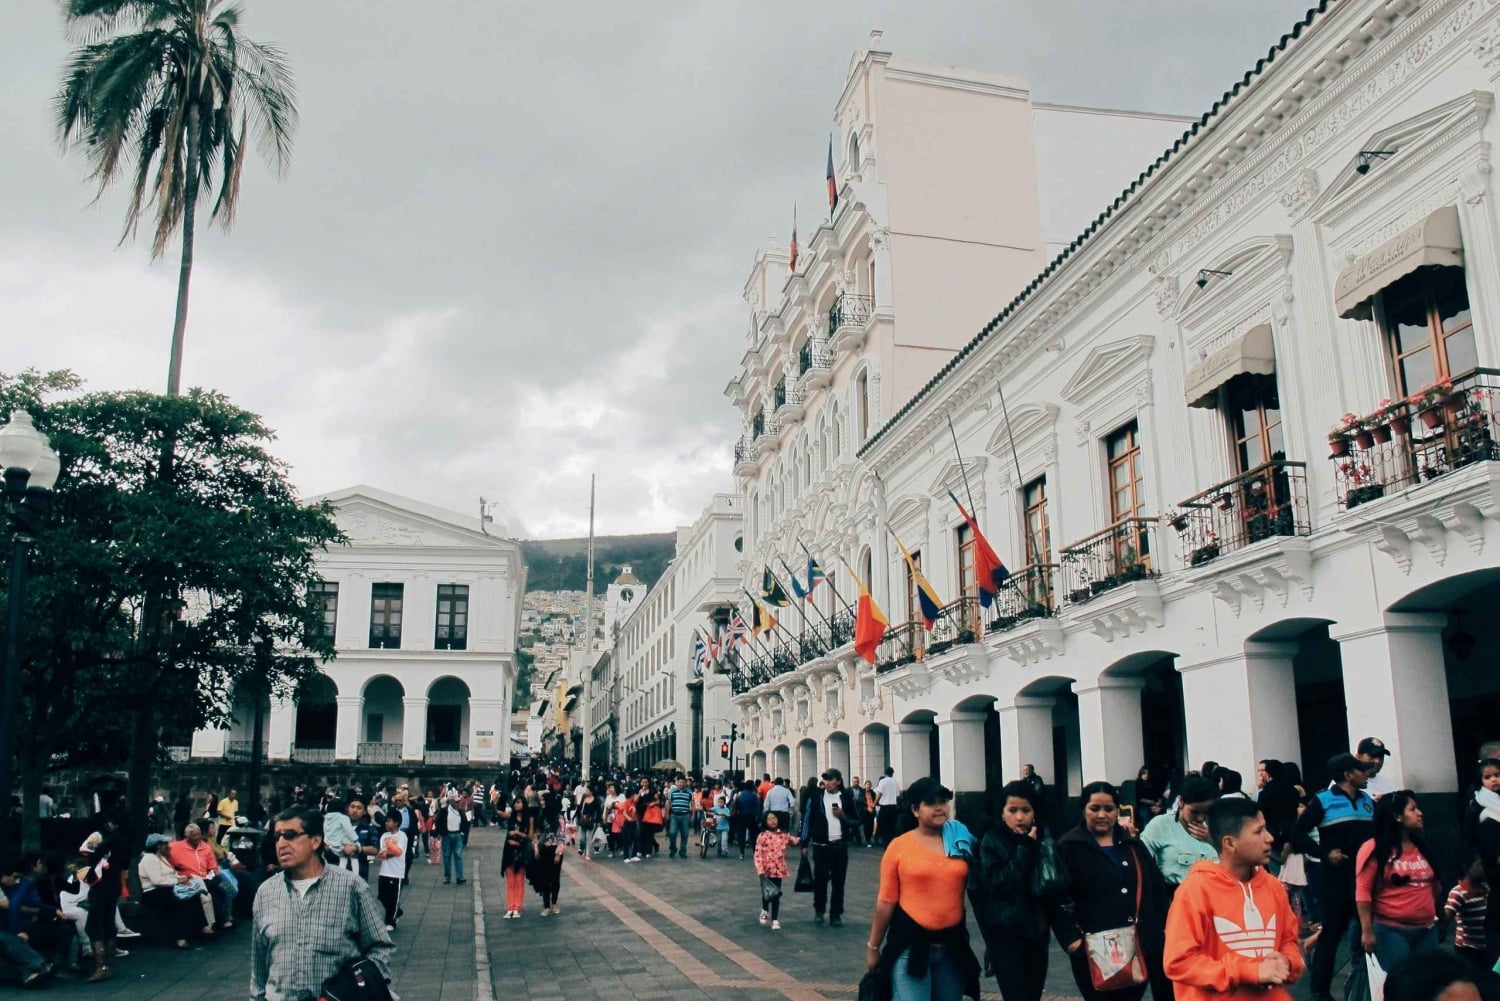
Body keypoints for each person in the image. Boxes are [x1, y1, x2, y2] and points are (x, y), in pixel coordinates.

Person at [1162, 797, 1302, 1001]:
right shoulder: (1195, 891)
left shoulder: (1273, 886)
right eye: (1258, 831)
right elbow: (1178, 962)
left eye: (1266, 829)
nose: (1269, 838)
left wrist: (1286, 962)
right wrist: (1249, 971)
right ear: (1229, 843)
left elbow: (1289, 941)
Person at [250, 806, 393, 1001]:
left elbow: (381, 949)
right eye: (277, 837)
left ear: (315, 841)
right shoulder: (266, 892)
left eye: (290, 835)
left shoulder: (351, 887)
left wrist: (348, 992)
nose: (281, 844)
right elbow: (259, 967)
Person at [865, 777, 981, 1001]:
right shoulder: (899, 846)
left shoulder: (960, 839)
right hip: (910, 947)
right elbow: (886, 901)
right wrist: (873, 947)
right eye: (930, 803)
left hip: (952, 946)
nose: (939, 808)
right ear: (915, 810)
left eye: (943, 801)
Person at [1054, 781, 1170, 1001]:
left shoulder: (1132, 844)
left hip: (1137, 945)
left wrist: (1160, 930)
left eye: (1109, 809)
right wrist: (1071, 940)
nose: (1102, 815)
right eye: (1094, 808)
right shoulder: (1068, 846)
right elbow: (1056, 898)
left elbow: (1155, 889)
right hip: (1094, 950)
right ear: (1083, 809)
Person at [968, 779, 1068, 1001]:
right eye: (1012, 810)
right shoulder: (991, 840)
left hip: (1037, 933)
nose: (1020, 817)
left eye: (1026, 810)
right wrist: (1024, 848)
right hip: (1005, 936)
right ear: (1002, 813)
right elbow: (1001, 883)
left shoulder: (1043, 840)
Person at [1293, 753, 1375, 1001]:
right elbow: (1297, 833)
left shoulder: (1368, 801)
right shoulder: (1323, 800)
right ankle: (1320, 991)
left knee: (1369, 934)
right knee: (1331, 936)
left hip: (1366, 880)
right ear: (1348, 774)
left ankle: (1368, 988)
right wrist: (1325, 853)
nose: (1367, 774)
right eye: (1361, 770)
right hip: (1336, 881)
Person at [1356, 790, 1441, 971]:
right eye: (1412, 809)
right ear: (1397, 817)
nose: (1420, 813)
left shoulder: (1423, 846)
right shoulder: (1374, 848)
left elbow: (1435, 883)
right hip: (1392, 931)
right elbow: (1363, 891)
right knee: (1402, 980)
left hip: (1427, 929)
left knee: (1427, 981)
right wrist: (1367, 931)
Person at [1142, 774, 1220, 899]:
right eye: (1194, 812)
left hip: (1213, 896)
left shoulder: (1218, 828)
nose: (1200, 818)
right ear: (1180, 802)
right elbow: (1140, 859)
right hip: (1175, 898)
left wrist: (1213, 840)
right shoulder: (1161, 825)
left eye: (1206, 812)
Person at [800, 768, 858, 928]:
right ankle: (819, 910)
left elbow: (856, 821)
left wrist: (842, 816)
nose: (827, 782)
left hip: (840, 846)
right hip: (821, 846)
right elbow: (806, 820)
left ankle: (836, 914)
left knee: (839, 882)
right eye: (825, 779)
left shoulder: (846, 797)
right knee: (820, 880)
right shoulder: (816, 797)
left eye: (830, 779)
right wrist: (804, 843)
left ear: (838, 781)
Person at [137, 833, 203, 949]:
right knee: (177, 904)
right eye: (164, 844)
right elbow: (157, 880)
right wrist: (177, 881)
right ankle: (179, 938)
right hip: (153, 892)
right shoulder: (149, 859)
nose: (167, 846)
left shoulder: (161, 858)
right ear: (158, 846)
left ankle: (200, 929)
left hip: (166, 889)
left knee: (194, 897)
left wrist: (182, 879)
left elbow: (171, 874)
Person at [753, 812, 800, 930]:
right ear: (765, 821)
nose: (773, 821)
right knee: (767, 893)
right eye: (770, 819)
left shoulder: (783, 835)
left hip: (778, 870)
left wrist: (805, 836)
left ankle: (775, 919)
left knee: (776, 894)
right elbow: (758, 854)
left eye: (774, 818)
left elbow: (794, 841)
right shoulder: (762, 836)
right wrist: (760, 870)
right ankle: (764, 910)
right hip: (766, 870)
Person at [1444, 853, 1488, 974]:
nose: (1484, 867)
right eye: (1479, 864)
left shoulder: (1486, 887)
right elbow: (1447, 914)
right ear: (1466, 868)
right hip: (1468, 950)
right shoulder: (1458, 892)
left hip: (1486, 947)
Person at [528, 792, 566, 916]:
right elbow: (537, 834)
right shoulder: (540, 815)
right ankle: (546, 905)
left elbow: (561, 836)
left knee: (555, 878)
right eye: (541, 800)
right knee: (544, 877)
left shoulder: (559, 818)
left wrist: (558, 853)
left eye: (543, 800)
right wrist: (535, 847)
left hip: (555, 850)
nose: (542, 802)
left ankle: (554, 903)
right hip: (543, 849)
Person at [375, 811, 407, 931]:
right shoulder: (384, 836)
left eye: (389, 821)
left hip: (396, 872)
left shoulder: (402, 836)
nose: (386, 823)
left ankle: (390, 921)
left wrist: (387, 852)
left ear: (396, 823)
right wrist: (385, 853)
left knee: (393, 898)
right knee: (382, 896)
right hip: (384, 871)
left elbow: (398, 851)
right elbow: (382, 852)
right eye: (386, 821)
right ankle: (397, 911)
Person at [502, 797, 532, 919]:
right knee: (510, 882)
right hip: (509, 851)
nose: (516, 805)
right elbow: (499, 813)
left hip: (521, 852)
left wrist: (517, 833)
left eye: (519, 802)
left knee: (519, 881)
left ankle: (517, 907)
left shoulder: (528, 819)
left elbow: (530, 836)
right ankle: (510, 907)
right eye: (515, 803)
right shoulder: (511, 817)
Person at [435, 789, 469, 885]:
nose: (457, 803)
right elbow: (438, 822)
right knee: (447, 856)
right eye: (455, 801)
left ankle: (459, 876)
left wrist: (463, 833)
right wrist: (440, 833)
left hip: (458, 835)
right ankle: (447, 877)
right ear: (450, 801)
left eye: (458, 801)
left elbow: (465, 823)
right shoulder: (444, 811)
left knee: (458, 855)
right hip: (447, 835)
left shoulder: (460, 811)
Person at [731, 780, 761, 861]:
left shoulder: (740, 794)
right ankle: (754, 852)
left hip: (741, 816)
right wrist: (758, 819)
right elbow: (757, 808)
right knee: (753, 835)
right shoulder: (754, 795)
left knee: (742, 835)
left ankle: (742, 853)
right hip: (751, 817)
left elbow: (735, 805)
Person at [666, 776, 693, 859]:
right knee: (672, 833)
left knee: (684, 834)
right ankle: (673, 848)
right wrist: (667, 814)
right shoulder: (672, 792)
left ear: (686, 783)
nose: (682, 784)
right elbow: (669, 803)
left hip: (685, 815)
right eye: (680, 782)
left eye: (683, 782)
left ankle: (683, 851)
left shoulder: (689, 792)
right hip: (674, 815)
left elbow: (693, 804)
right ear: (677, 783)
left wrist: (693, 815)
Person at [875, 767, 902, 847]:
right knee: (891, 827)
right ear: (892, 773)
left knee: (883, 826)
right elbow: (898, 796)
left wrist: (874, 803)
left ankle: (885, 843)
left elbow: (879, 794)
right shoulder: (896, 782)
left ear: (885, 773)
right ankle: (890, 843)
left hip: (884, 807)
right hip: (893, 807)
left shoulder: (882, 781)